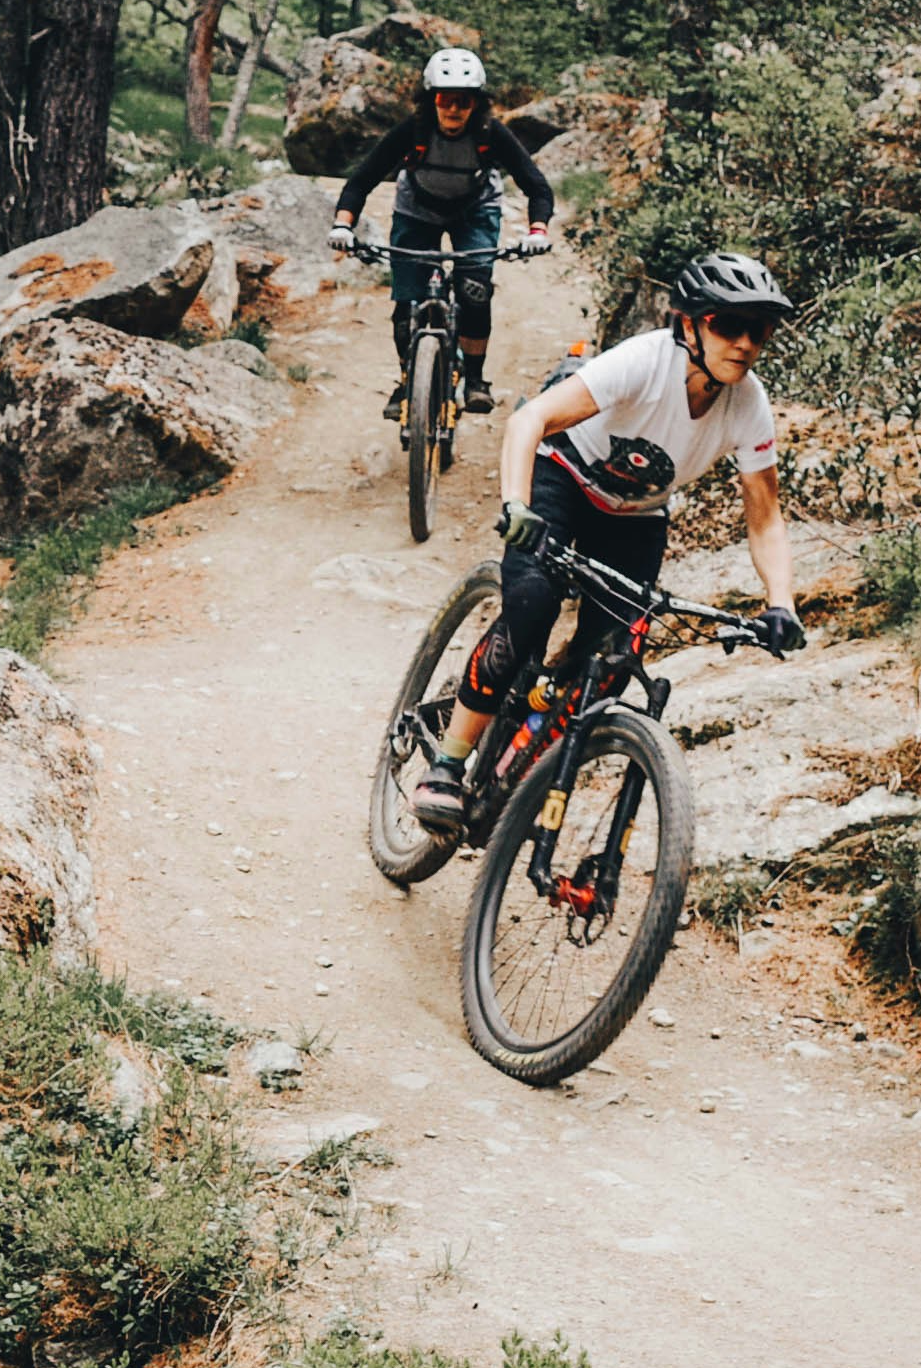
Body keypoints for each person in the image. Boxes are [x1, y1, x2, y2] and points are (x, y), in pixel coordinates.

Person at [411, 248, 809, 827]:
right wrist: (516, 505)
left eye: (759, 330)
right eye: (728, 324)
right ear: (691, 323)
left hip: (636, 516)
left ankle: (514, 771)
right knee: (531, 606)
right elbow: (530, 421)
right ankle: (447, 764)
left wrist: (780, 604)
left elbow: (765, 517)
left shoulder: (749, 406)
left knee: (614, 663)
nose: (745, 343)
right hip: (563, 481)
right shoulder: (645, 362)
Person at [329, 42, 556, 415]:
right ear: (431, 100)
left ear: (476, 104)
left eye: (464, 101)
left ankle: (476, 380)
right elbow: (361, 180)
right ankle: (408, 382)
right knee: (406, 303)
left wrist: (537, 231)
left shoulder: (490, 132)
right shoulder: (412, 130)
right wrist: (342, 225)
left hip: (475, 210)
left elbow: (536, 185)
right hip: (416, 210)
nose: (453, 109)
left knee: (475, 291)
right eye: (445, 99)